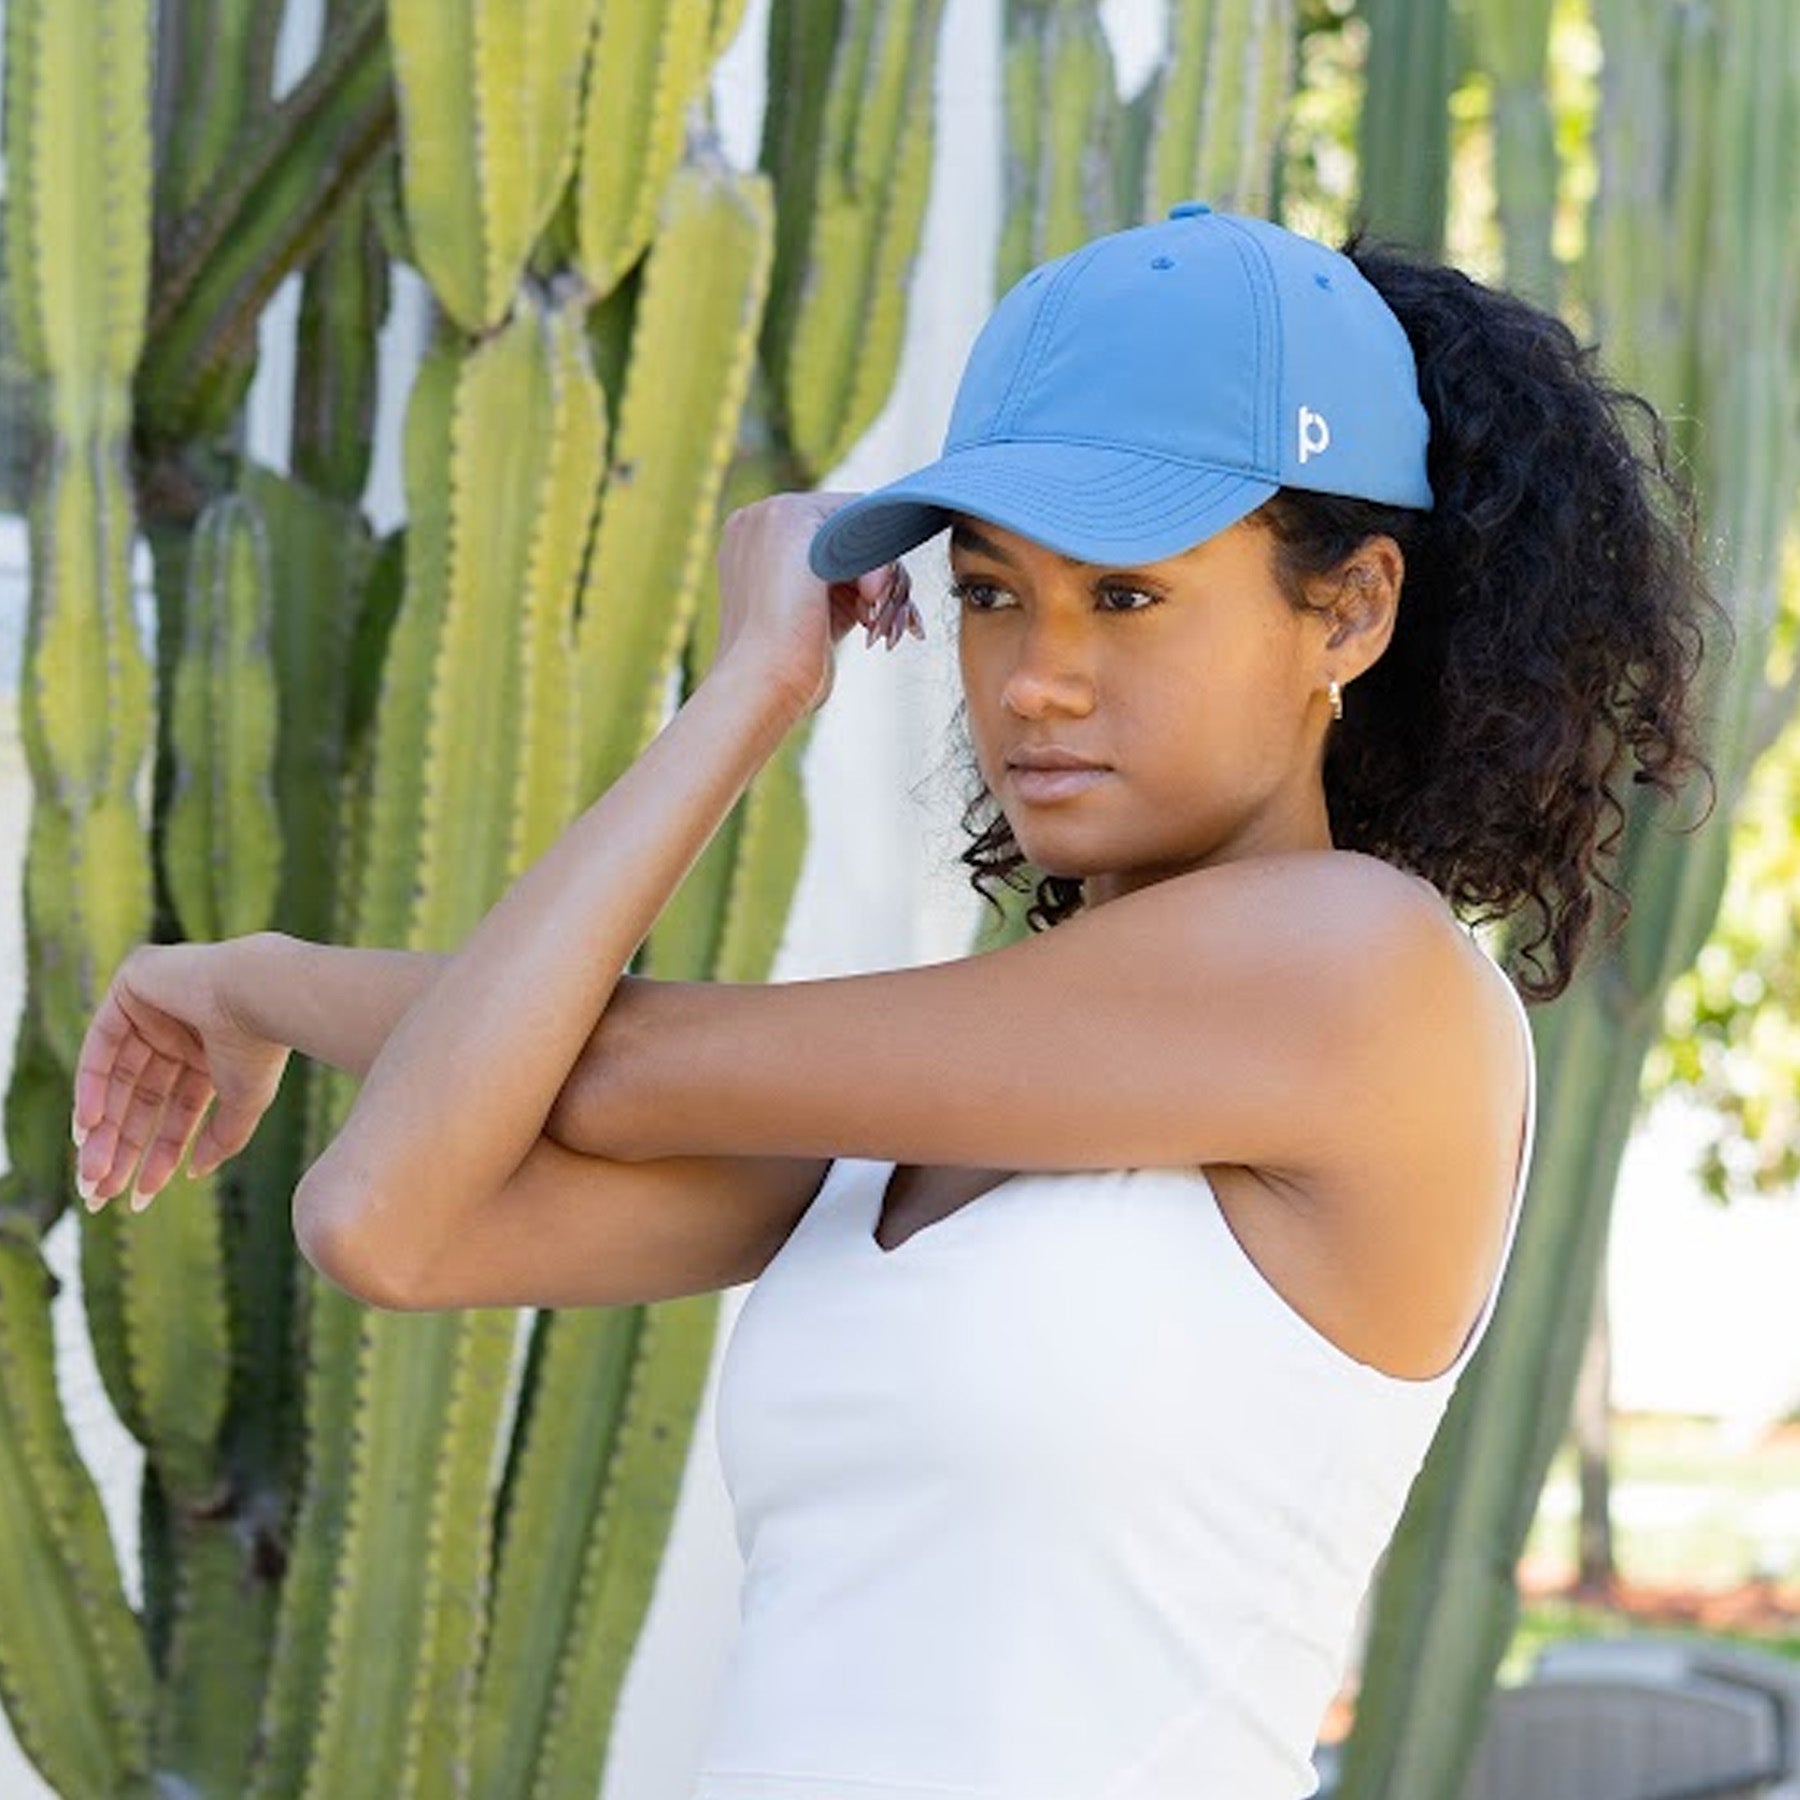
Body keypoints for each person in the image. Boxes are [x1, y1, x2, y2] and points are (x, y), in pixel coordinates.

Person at [69, 204, 1716, 1798]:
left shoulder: (1360, 974)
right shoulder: (947, 1096)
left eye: (1125, 594)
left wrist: (743, 688)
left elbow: (614, 1065)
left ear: (1348, 608)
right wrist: (248, 988)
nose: (1034, 678)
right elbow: (390, 1220)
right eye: (992, 591)